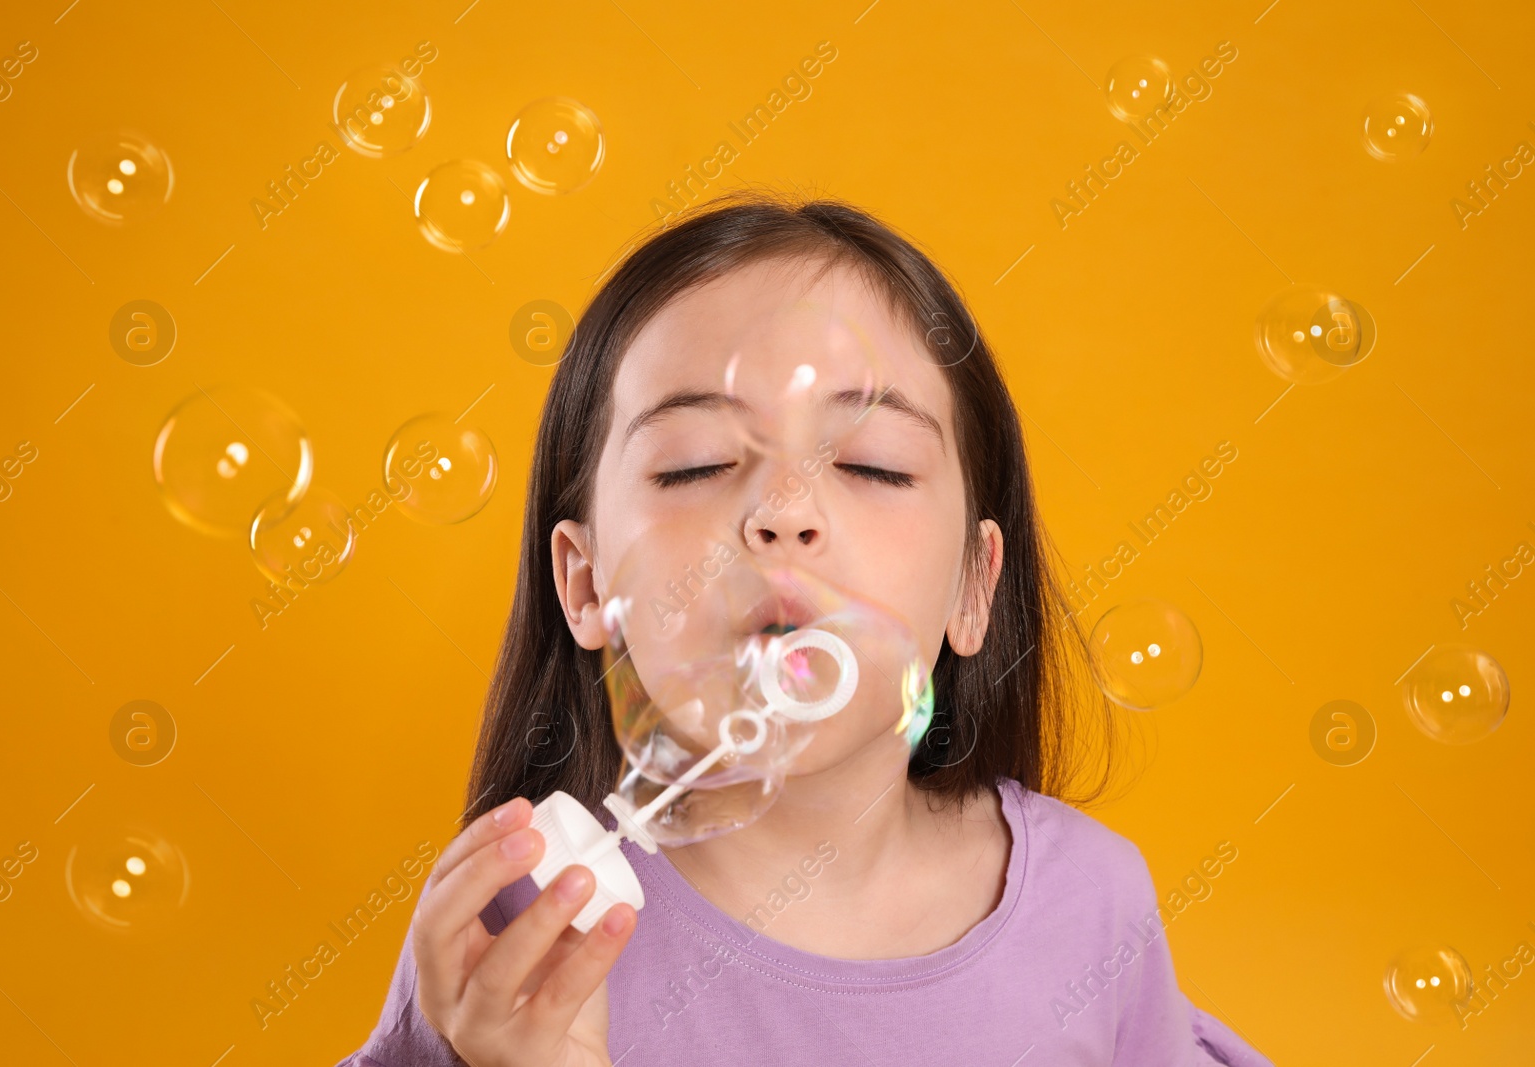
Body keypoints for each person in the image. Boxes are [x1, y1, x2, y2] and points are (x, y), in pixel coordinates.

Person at [334, 191, 1274, 1066]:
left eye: (872, 465)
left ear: (973, 587)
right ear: (584, 586)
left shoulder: (1091, 904)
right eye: (696, 465)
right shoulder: (529, 924)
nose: (784, 514)